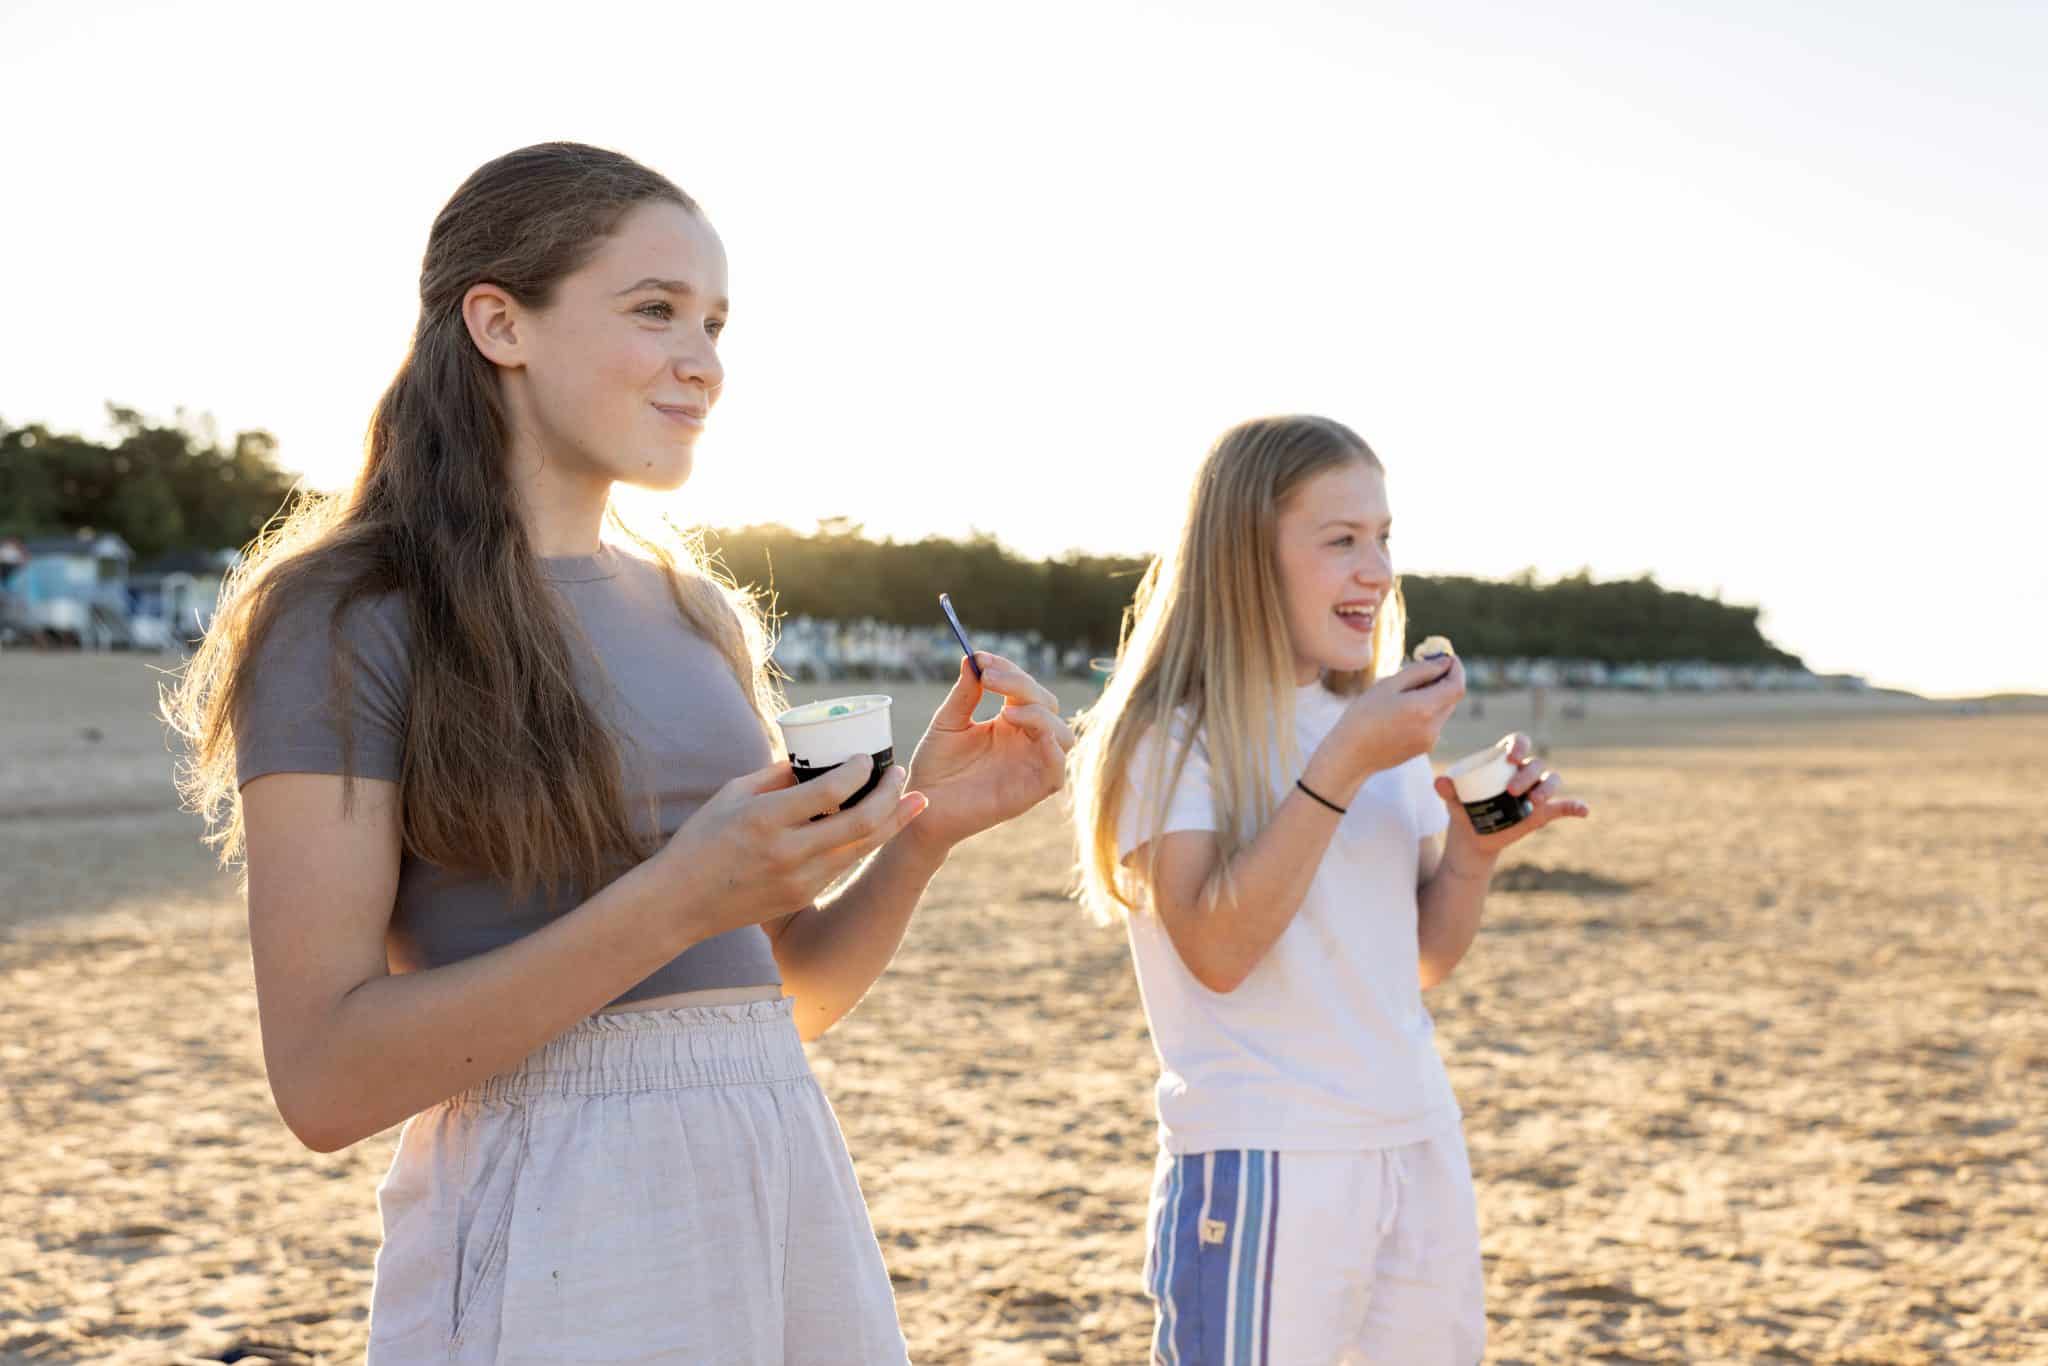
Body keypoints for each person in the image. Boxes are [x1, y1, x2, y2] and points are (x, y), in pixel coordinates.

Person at [164, 142, 1073, 1364]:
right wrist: (678, 894)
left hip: (776, 1186)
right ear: (499, 322)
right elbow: (324, 1080)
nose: (701, 362)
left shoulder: (696, 614)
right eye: (654, 311)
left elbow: (778, 997)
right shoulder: (347, 613)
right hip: (553, 1217)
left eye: (713, 323)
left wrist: (921, 835)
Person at [1066, 415, 1591, 1364]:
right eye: (1342, 540)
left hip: (1417, 1139)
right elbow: (1218, 953)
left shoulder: (1376, 722)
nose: (1378, 570)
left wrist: (1473, 855)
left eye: (1385, 537)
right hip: (1266, 1157)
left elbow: (1422, 959)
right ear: (1244, 558)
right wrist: (1343, 767)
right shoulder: (1176, 735)